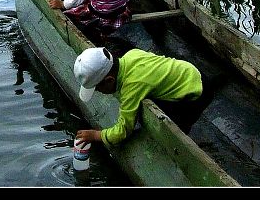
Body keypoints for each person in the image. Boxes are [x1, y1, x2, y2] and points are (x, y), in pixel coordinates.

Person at [71, 39, 214, 147]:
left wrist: (97, 135)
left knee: (179, 125)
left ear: (109, 80)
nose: (99, 92)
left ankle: (180, 143)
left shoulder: (132, 87)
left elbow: (123, 130)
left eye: (98, 89)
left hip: (197, 93)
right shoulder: (131, 55)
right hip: (188, 70)